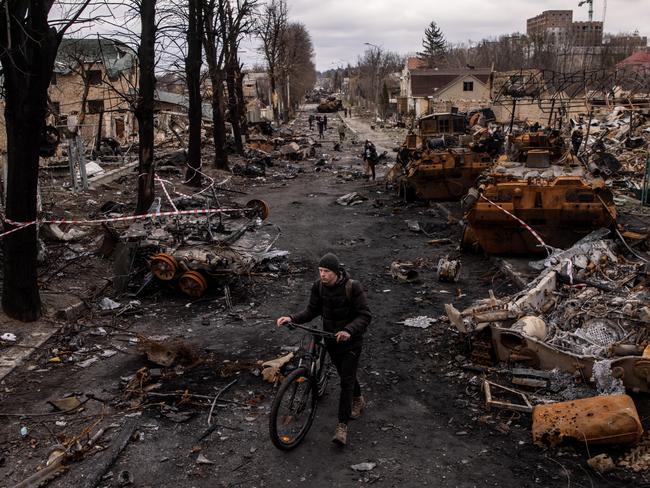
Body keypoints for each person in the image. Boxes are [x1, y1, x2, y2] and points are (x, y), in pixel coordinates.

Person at [276, 253, 371, 447]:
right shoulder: (318, 287)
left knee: (346, 381)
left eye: (326, 271)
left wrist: (348, 330)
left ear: (336, 272)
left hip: (351, 342)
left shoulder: (353, 287)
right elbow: (311, 311)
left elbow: (364, 315)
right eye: (320, 271)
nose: (322, 275)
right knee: (346, 375)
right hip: (331, 341)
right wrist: (291, 318)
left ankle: (342, 426)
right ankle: (358, 398)